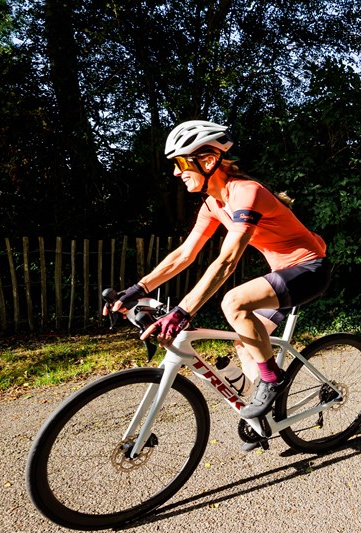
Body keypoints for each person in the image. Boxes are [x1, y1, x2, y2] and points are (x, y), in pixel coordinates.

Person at [105, 120, 330, 445]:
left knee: (233, 302)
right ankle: (264, 417)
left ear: (208, 160)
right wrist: (138, 290)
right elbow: (184, 255)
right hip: (282, 275)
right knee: (245, 342)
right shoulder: (213, 204)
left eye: (181, 163)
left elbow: (226, 261)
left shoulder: (246, 193)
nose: (176, 172)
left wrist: (183, 311)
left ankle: (273, 379)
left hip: (310, 269)